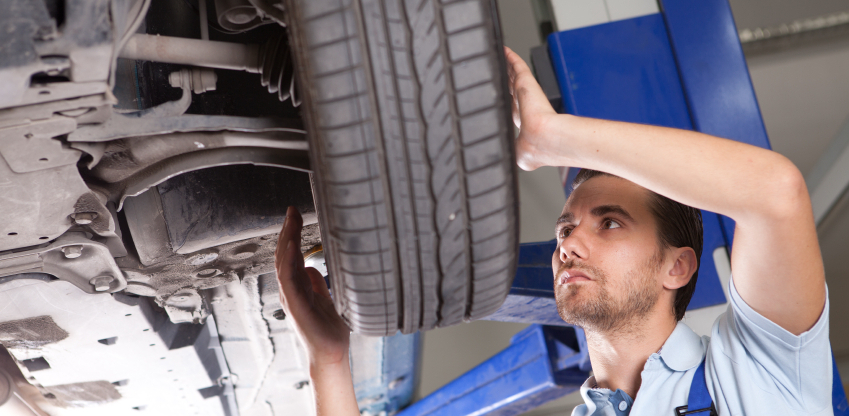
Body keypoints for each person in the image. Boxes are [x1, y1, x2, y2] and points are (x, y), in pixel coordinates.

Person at [274, 47, 831, 415]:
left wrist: (555, 139)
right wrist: (328, 359)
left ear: (677, 266)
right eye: (566, 226)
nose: (567, 242)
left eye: (609, 222)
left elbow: (775, 195)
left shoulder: (762, 371)